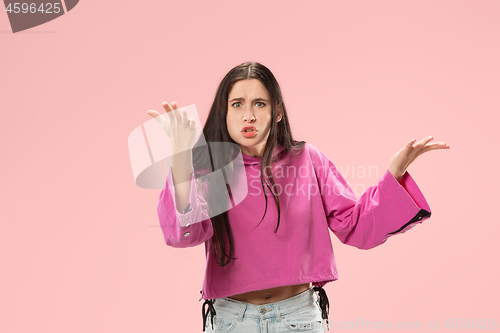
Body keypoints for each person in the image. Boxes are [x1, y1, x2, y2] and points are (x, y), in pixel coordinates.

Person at [146, 62, 450, 332]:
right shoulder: (211, 170)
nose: (248, 115)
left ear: (277, 111)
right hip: (231, 321)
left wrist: (393, 176)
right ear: (224, 112)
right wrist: (180, 163)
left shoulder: (307, 160)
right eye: (237, 104)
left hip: (299, 319)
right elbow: (184, 234)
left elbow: (355, 226)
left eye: (260, 103)